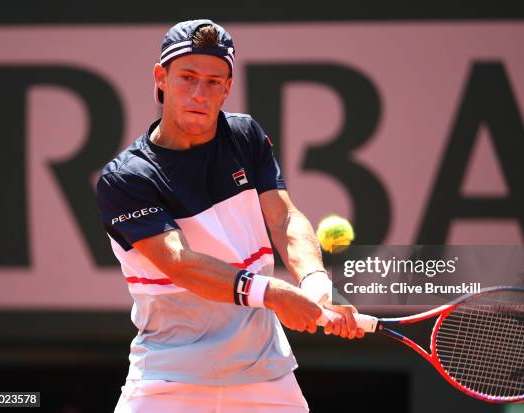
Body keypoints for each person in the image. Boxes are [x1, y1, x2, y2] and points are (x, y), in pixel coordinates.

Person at [95, 19, 364, 413]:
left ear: (228, 87)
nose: (200, 94)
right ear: (161, 78)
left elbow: (283, 219)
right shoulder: (127, 178)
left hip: (266, 376)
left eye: (214, 81)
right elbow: (180, 264)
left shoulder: (245, 137)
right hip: (168, 377)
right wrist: (273, 293)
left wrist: (317, 283)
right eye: (187, 77)